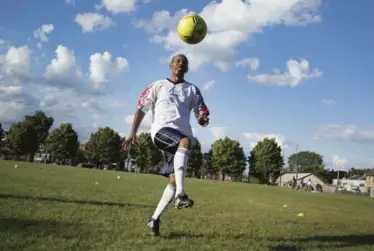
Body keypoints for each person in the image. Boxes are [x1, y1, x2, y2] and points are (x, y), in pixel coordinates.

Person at [122, 54, 210, 236]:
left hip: (180, 142)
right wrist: (133, 133)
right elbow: (141, 109)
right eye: (177, 61)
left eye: (184, 63)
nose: (180, 64)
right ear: (170, 65)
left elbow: (202, 114)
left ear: (187, 69)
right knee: (185, 142)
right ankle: (181, 195)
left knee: (173, 179)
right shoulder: (157, 85)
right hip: (162, 132)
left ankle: (154, 219)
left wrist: (202, 119)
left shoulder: (193, 90)